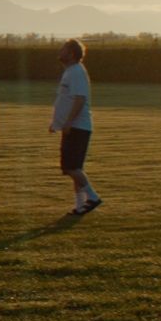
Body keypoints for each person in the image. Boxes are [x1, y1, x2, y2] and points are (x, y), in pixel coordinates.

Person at [50, 39, 102, 215]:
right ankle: (80, 205)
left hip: (78, 127)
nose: (60, 51)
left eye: (63, 49)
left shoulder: (76, 72)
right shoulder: (70, 72)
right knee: (74, 167)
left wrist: (69, 122)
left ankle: (92, 197)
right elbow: (66, 100)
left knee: (72, 167)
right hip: (72, 126)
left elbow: (80, 99)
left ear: (71, 53)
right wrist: (56, 122)